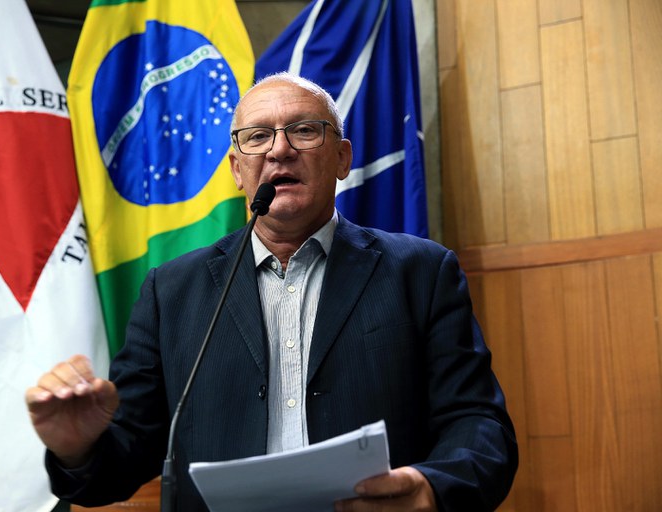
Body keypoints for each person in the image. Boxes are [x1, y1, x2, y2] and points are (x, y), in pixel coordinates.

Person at [26, 72, 517, 512]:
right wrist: (77, 449)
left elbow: (477, 423)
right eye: (258, 136)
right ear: (237, 170)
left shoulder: (420, 272)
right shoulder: (172, 291)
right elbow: (125, 458)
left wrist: (430, 487)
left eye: (304, 130)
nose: (279, 150)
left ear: (342, 158)